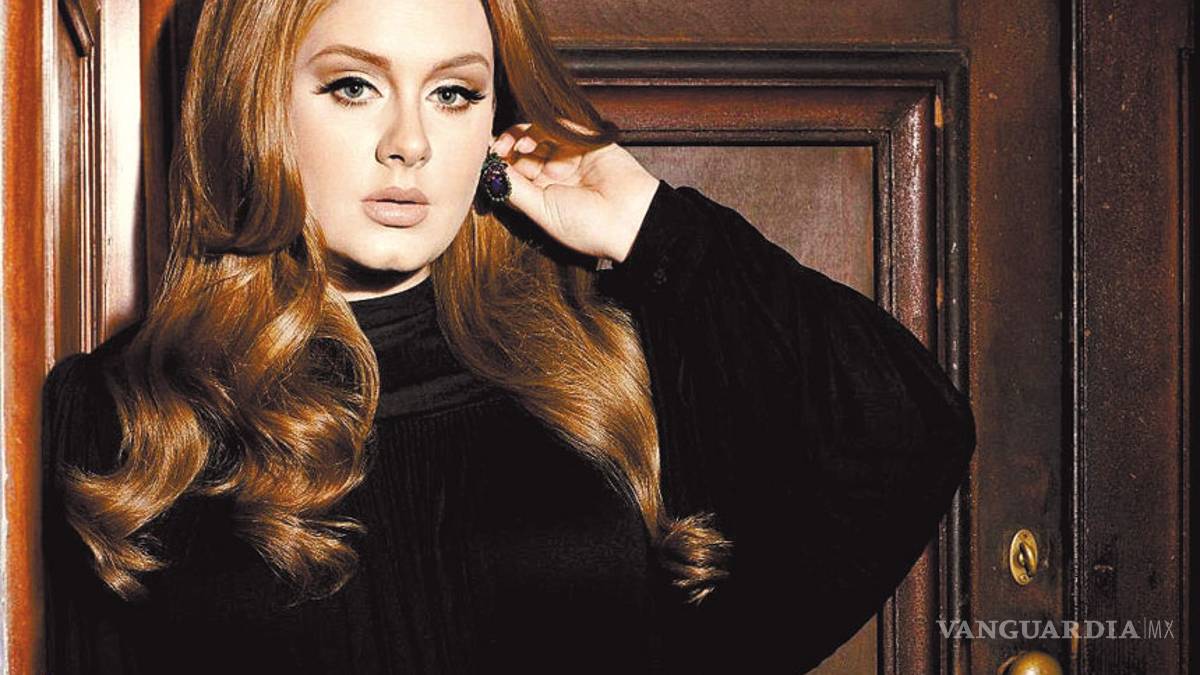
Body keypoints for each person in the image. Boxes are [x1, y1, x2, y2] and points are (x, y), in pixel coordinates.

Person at [39, 0, 977, 673]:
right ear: (255, 102)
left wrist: (654, 226)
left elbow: (907, 432)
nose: (410, 142)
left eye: (453, 93)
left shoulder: (605, 365)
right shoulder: (129, 415)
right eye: (354, 86)